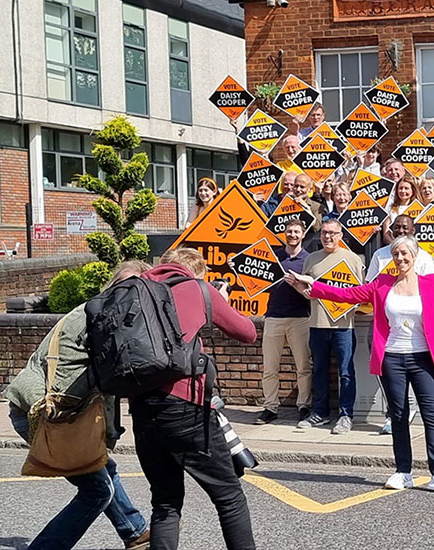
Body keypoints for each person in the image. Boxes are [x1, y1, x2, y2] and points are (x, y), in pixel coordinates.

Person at [286, 236, 434, 494]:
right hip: (392, 357)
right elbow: (348, 295)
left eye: (404, 254)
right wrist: (314, 286)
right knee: (399, 416)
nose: (400, 259)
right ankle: (404, 471)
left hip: (424, 358)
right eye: (396, 254)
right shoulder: (382, 283)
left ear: (414, 256)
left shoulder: (432, 283)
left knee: (431, 416)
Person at [6, 261, 152, 550]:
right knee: (97, 490)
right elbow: (111, 382)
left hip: (46, 409)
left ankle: (134, 531)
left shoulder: (93, 311)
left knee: (102, 468)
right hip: (46, 415)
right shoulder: (102, 322)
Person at [131, 248, 257, 550]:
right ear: (196, 273)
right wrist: (217, 301)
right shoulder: (198, 289)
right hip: (186, 406)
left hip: (141, 407)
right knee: (229, 496)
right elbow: (247, 332)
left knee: (165, 502)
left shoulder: (136, 289)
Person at [366, 214, 434, 434]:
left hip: (418, 330)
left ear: (413, 230)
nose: (400, 231)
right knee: (386, 374)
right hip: (386, 325)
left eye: (405, 228)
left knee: (428, 406)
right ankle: (392, 413)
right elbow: (366, 288)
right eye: (396, 228)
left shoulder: (423, 257)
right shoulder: (379, 254)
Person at [297, 220, 363, 434]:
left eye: (333, 233)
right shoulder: (311, 259)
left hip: (344, 326)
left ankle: (345, 415)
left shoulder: (352, 260)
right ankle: (320, 412)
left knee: (345, 372)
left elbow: (359, 293)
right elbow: (304, 287)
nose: (328, 237)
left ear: (341, 235)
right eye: (324, 233)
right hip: (317, 323)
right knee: (319, 370)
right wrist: (301, 290)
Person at [254, 219, 312, 425]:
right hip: (273, 317)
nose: (292, 235)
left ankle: (304, 405)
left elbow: (311, 294)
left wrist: (297, 283)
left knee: (303, 366)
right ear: (284, 233)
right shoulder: (273, 256)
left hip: (300, 318)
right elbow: (255, 277)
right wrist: (239, 267)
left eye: (297, 231)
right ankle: (270, 407)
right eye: (289, 231)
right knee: (269, 367)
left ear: (303, 234)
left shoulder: (309, 260)